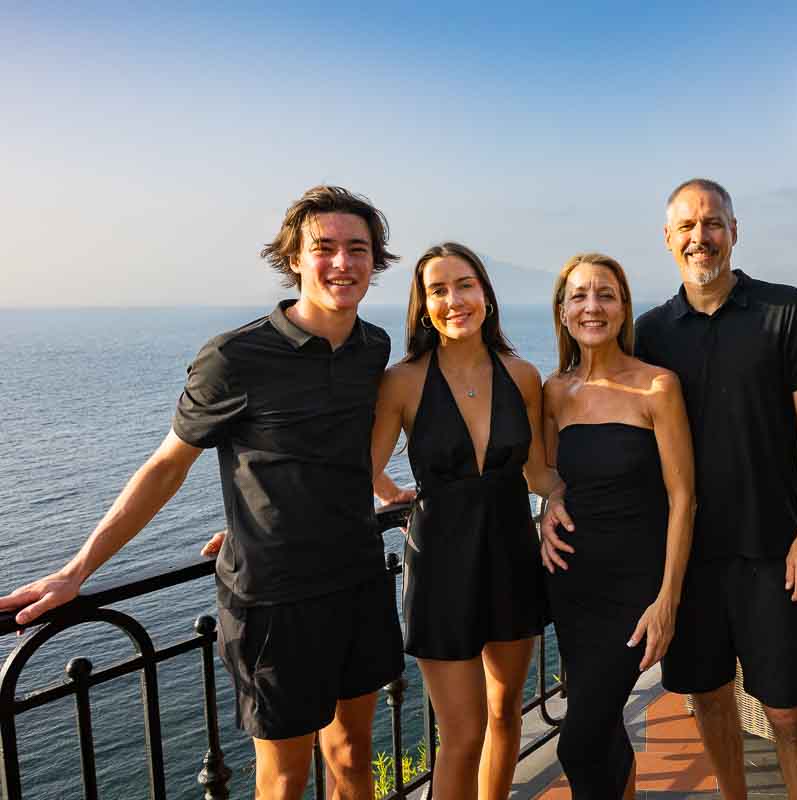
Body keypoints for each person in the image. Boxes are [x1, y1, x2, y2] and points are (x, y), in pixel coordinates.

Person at [0, 186, 406, 800]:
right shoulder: (234, 356)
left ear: (375, 262)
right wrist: (76, 570)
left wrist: (384, 488)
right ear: (294, 257)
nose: (342, 263)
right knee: (284, 779)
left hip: (357, 579)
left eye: (358, 249)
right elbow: (166, 466)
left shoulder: (371, 347)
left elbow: (345, 438)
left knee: (351, 756)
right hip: (274, 600)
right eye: (324, 248)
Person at [543, 179, 797, 799]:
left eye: (712, 224)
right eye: (686, 227)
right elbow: (606, 427)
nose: (699, 237)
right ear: (669, 239)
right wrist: (552, 499)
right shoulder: (651, 331)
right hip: (685, 559)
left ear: (734, 230)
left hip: (770, 548)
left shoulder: (785, 310)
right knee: (706, 697)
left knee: (785, 709)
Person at [368, 242, 572, 800]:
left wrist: (574, 498)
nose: (453, 300)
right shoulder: (402, 381)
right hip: (440, 566)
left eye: (465, 285)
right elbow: (357, 470)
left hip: (511, 555)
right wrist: (386, 490)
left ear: (486, 294)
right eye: (438, 290)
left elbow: (538, 475)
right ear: (423, 304)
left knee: (506, 711)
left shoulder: (523, 375)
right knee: (462, 733)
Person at [540, 253, 694, 799]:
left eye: (605, 294)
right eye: (579, 295)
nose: (592, 306)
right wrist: (550, 501)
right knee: (600, 722)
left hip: (637, 588)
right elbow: (544, 469)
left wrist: (667, 600)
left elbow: (683, 497)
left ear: (623, 307)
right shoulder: (555, 390)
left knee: (575, 742)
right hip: (574, 581)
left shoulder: (658, 387)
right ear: (563, 313)